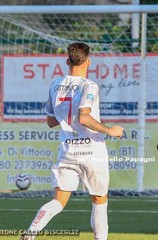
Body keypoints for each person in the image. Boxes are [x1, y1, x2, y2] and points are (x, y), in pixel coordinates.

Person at [20, 42, 124, 240]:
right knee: (99, 199)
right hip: (92, 152)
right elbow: (84, 117)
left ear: (67, 61)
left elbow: (51, 121)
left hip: (68, 150)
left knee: (59, 201)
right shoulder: (89, 85)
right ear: (89, 61)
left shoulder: (55, 84)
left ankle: (31, 232)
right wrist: (110, 130)